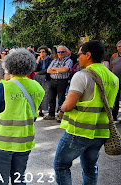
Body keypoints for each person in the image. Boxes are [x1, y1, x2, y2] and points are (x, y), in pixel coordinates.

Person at [54, 40, 119, 185]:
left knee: (61, 165)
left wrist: (61, 109)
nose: (77, 58)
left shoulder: (81, 75)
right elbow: (111, 105)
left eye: (80, 54)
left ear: (88, 55)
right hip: (100, 132)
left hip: (79, 130)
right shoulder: (113, 77)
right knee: (90, 168)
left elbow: (69, 105)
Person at [0, 49, 44, 185]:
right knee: (19, 179)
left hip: (1, 142)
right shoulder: (37, 87)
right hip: (24, 141)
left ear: (9, 66)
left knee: (1, 180)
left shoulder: (4, 87)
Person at [44, 46, 73, 122]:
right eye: (59, 52)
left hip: (62, 81)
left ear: (66, 53)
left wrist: (55, 69)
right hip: (53, 80)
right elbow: (48, 70)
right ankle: (51, 114)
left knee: (61, 99)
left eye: (62, 52)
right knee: (51, 98)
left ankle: (60, 115)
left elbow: (65, 69)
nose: (60, 53)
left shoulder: (69, 60)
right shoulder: (54, 60)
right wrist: (59, 70)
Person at [34, 46, 53, 117]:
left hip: (46, 78)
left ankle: (46, 109)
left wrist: (39, 72)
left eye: (43, 52)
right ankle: (40, 110)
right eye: (40, 52)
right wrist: (37, 61)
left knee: (46, 94)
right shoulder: (38, 60)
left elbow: (48, 70)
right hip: (38, 79)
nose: (41, 53)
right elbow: (35, 69)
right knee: (38, 93)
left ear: (46, 52)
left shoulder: (50, 60)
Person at [110, 40, 121, 122]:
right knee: (115, 99)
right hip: (115, 81)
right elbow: (111, 67)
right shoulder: (114, 56)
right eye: (119, 46)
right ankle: (114, 116)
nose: (120, 48)